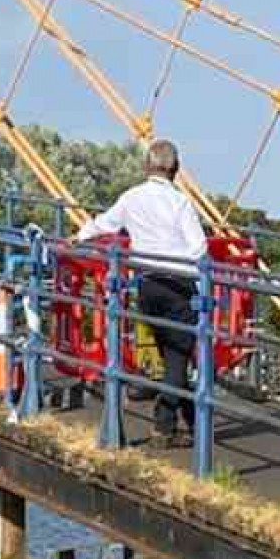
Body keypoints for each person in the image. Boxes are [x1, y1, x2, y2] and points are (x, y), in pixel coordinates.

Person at [77, 139, 206, 446]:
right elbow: (199, 247)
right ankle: (163, 428)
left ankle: (190, 420)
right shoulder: (180, 203)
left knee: (171, 354)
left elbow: (105, 224)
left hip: (147, 286)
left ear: (147, 166)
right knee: (178, 356)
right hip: (177, 285)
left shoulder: (131, 197)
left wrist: (79, 236)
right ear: (175, 169)